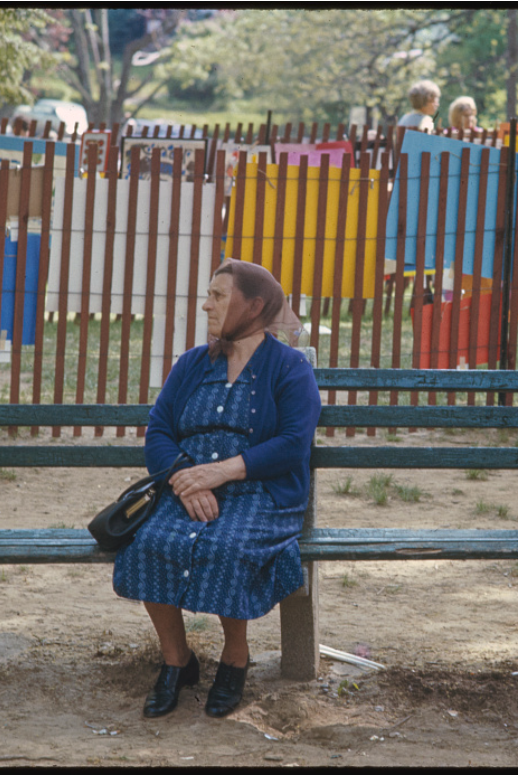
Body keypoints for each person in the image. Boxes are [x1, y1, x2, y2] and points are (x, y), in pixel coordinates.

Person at [113, 259, 321, 719]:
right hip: (187, 486)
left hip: (260, 495)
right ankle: (176, 661)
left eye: (219, 296)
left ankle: (235, 657)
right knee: (149, 542)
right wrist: (186, 481)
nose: (206, 305)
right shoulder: (192, 364)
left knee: (228, 546)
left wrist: (220, 472)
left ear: (254, 306)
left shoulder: (290, 369)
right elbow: (159, 431)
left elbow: (292, 445)